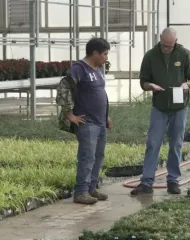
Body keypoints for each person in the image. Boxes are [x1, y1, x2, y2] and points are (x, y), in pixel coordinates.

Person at [130, 28, 190, 195]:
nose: (167, 48)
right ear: (160, 39)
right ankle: (146, 182)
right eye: (164, 45)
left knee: (176, 144)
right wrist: (150, 86)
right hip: (159, 107)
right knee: (153, 144)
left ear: (176, 41)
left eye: (170, 45)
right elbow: (143, 81)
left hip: (179, 108)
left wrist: (186, 85)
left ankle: (173, 180)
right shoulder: (151, 56)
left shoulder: (184, 54)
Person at [56, 38, 113, 205]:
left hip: (100, 121)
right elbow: (63, 89)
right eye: (104, 53)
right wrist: (69, 114)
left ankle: (91, 188)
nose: (106, 57)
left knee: (98, 156)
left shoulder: (99, 69)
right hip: (87, 122)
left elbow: (100, 93)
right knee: (87, 157)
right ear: (94, 53)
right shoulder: (78, 68)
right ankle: (80, 192)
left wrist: (106, 116)